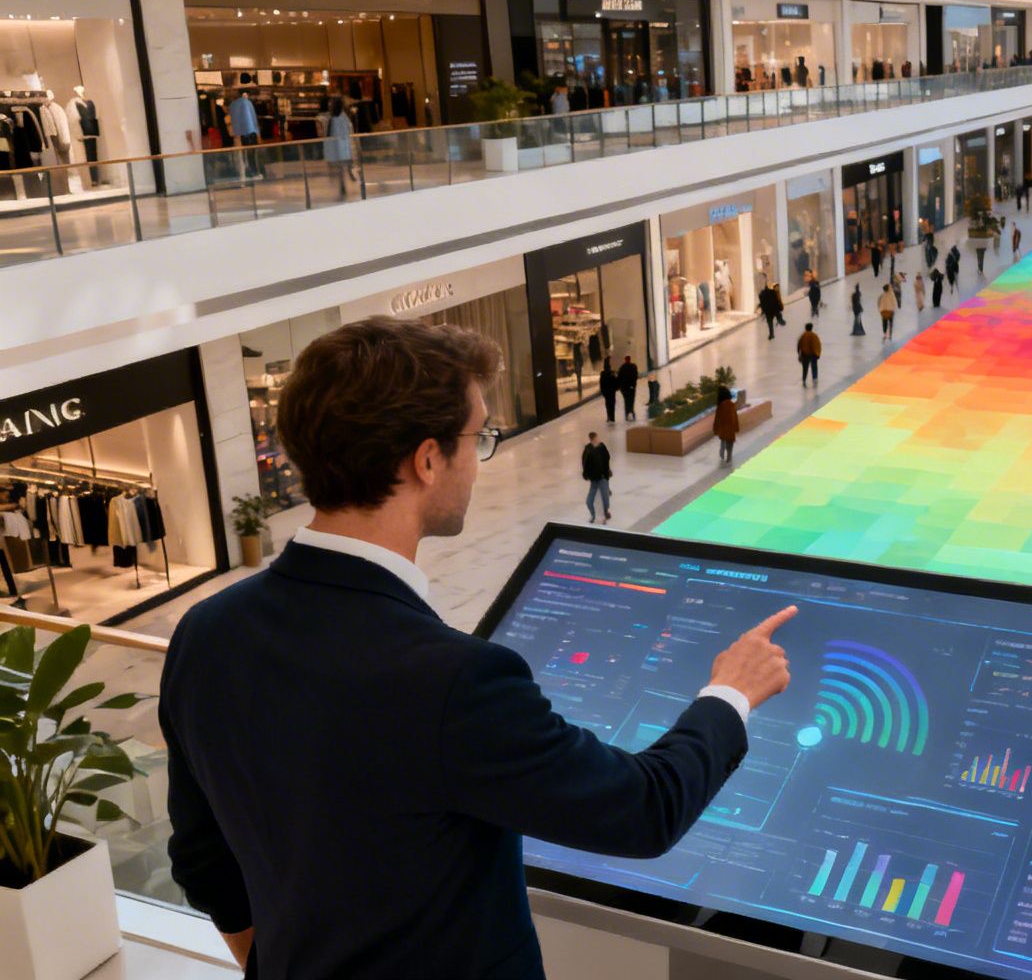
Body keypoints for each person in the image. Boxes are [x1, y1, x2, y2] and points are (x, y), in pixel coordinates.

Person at [162, 317, 795, 977]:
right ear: (428, 459)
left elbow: (203, 862)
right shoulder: (454, 682)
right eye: (478, 437)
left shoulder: (206, 632)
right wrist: (731, 693)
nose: (478, 458)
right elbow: (643, 810)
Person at [227, 88, 264, 177]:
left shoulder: (236, 105)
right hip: (248, 134)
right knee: (251, 155)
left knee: (246, 155)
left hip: (243, 135)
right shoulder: (245, 104)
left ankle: (249, 173)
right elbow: (251, 120)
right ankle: (254, 172)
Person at [324, 97, 355, 198]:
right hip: (344, 146)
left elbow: (328, 135)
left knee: (340, 169)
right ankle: (348, 176)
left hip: (337, 147)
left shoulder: (333, 119)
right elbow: (350, 131)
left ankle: (343, 185)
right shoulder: (344, 117)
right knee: (343, 167)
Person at [581, 431, 612, 523]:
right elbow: (585, 463)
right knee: (589, 501)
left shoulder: (602, 446)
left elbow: (607, 459)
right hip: (594, 479)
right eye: (597, 437)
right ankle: (594, 515)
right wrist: (586, 475)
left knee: (605, 498)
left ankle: (605, 512)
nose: (599, 439)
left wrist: (607, 472)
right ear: (593, 439)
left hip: (602, 477)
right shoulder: (588, 450)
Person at [712, 386, 739, 464]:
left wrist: (715, 429)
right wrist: (736, 427)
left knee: (723, 440)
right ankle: (729, 457)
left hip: (723, 428)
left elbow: (717, 418)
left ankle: (722, 451)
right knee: (730, 443)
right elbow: (735, 417)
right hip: (730, 428)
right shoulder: (732, 404)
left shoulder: (720, 406)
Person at [617, 356, 639, 422]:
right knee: (631, 400)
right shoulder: (633, 367)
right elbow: (635, 376)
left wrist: (620, 387)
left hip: (625, 388)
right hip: (631, 387)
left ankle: (627, 413)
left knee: (626, 400)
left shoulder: (622, 368)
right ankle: (631, 412)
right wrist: (633, 385)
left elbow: (619, 378)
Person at [597, 358, 619, 423]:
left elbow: (601, 383)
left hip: (606, 392)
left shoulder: (603, 374)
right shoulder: (612, 373)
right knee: (612, 404)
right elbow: (616, 382)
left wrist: (602, 391)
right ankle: (612, 417)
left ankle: (609, 416)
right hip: (612, 392)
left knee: (608, 404)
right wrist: (616, 388)